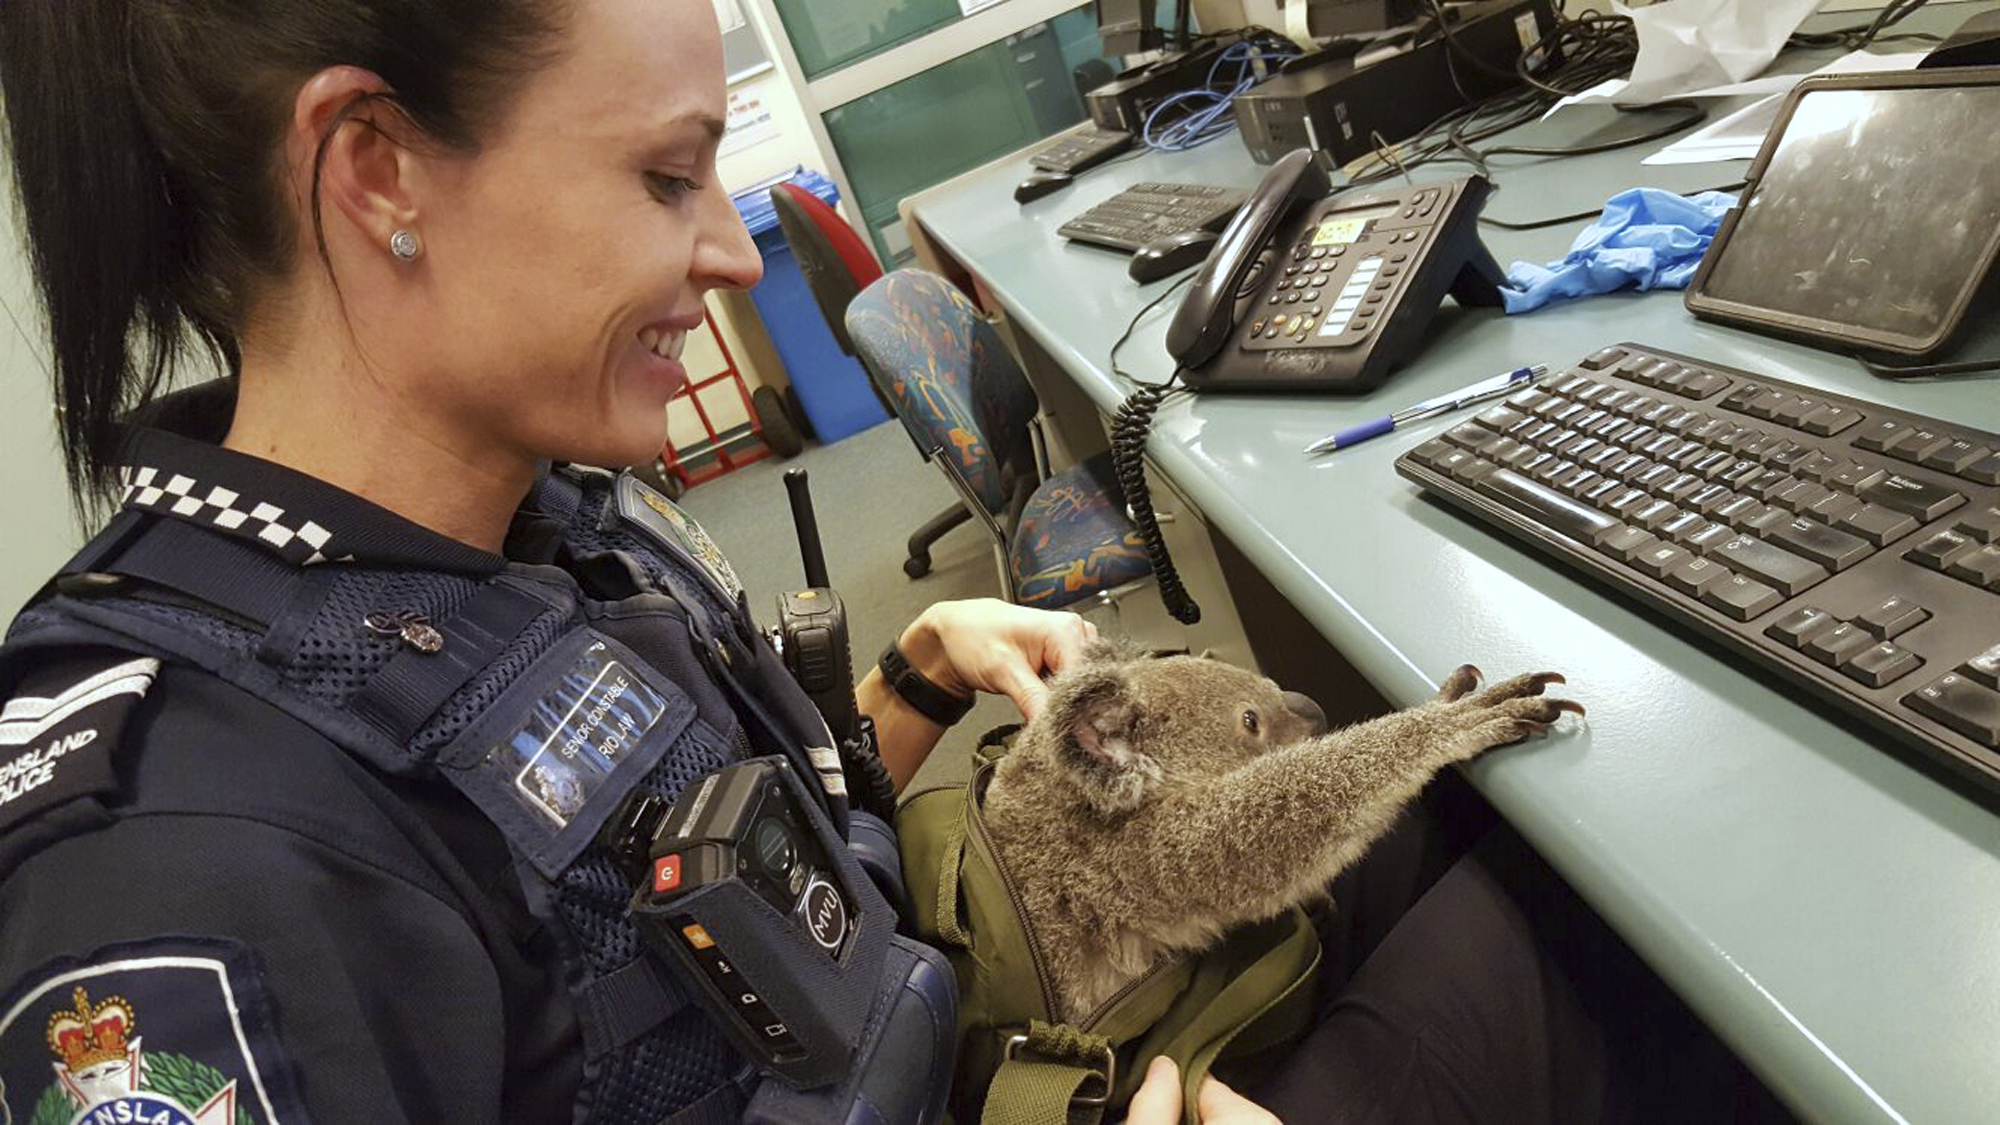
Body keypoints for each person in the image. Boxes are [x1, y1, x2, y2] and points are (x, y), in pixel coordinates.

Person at [0, 2, 1795, 1122]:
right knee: (1604, 946)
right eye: (664, 177)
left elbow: (681, 904)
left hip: (986, 1029)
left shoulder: (546, 520)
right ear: (374, 166)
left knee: (1492, 809)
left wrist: (910, 690)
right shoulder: (187, 862)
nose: (728, 250)